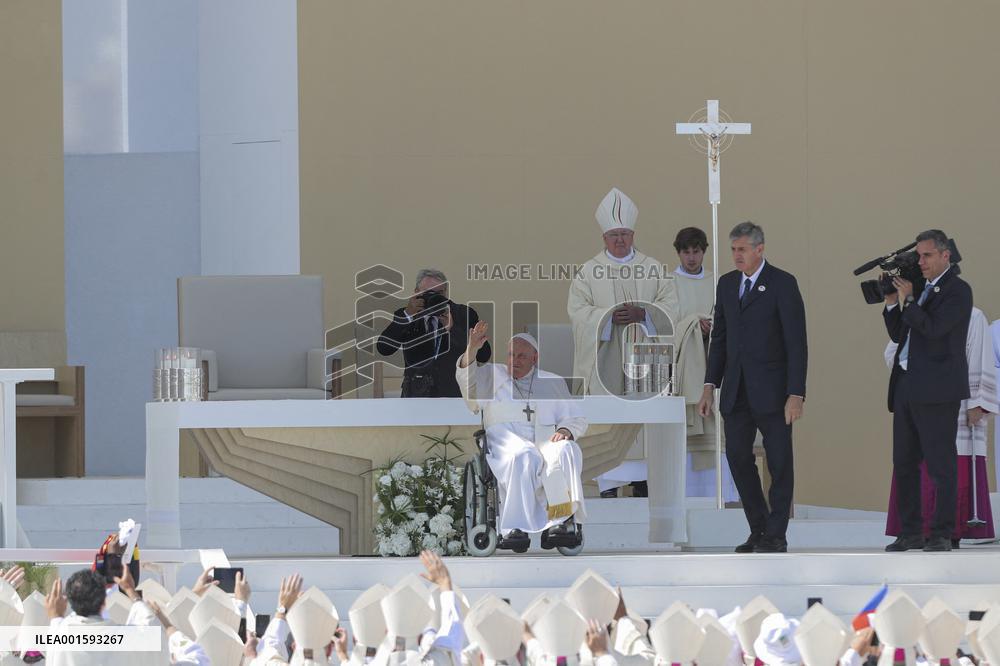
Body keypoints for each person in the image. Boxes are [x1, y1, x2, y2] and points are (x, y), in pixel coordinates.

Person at [696, 222, 807, 554]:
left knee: (778, 462)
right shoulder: (727, 285)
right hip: (737, 391)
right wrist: (709, 385)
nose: (736, 255)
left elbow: (796, 344)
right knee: (737, 458)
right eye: (733, 249)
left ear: (760, 249)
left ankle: (777, 533)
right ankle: (758, 528)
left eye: (742, 249)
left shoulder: (783, 284)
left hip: (774, 393)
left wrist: (796, 393)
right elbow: (720, 339)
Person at [567, 187, 678, 498]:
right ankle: (608, 488)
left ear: (633, 234)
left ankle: (644, 487)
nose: (619, 239)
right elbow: (577, 312)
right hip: (606, 366)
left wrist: (646, 313)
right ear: (604, 238)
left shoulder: (654, 268)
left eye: (624, 234)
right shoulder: (588, 271)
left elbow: (673, 307)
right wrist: (605, 318)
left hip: (646, 361)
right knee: (608, 425)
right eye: (614, 234)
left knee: (643, 428)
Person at [457, 322, 588, 550]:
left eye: (521, 356)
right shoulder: (492, 375)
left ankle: (561, 522)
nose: (513, 360)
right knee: (523, 455)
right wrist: (472, 349)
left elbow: (575, 418)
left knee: (567, 450)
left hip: (546, 440)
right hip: (504, 439)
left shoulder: (553, 382)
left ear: (534, 359)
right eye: (510, 354)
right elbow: (467, 381)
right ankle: (514, 527)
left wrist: (566, 430)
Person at [882, 229, 973, 553]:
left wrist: (908, 300)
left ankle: (941, 532)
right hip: (907, 384)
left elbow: (934, 330)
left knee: (940, 463)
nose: (920, 262)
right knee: (904, 462)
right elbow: (900, 334)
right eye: (918, 256)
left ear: (945, 255)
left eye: (927, 256)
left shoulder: (958, 291)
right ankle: (910, 532)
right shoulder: (918, 289)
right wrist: (893, 302)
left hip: (937, 389)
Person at [884, 306, 996, 546]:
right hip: (917, 397)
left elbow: (979, 355)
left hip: (955, 399)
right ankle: (913, 531)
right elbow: (893, 351)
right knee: (912, 462)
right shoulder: (913, 313)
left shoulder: (971, 315)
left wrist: (978, 401)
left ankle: (947, 532)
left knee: (947, 465)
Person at [671, 226, 738, 502]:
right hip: (684, 367)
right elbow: (666, 322)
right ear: (678, 252)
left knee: (718, 430)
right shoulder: (668, 283)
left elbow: (727, 316)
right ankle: (684, 497)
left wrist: (713, 326)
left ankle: (719, 496)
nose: (691, 257)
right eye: (686, 252)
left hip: (713, 362)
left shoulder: (717, 282)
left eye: (696, 251)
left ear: (704, 252)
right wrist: (691, 325)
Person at [378, 268, 491, 397]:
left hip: (455, 397)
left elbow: (484, 355)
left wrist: (452, 329)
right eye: (428, 293)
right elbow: (384, 349)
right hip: (415, 396)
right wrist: (407, 316)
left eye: (439, 293)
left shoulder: (463, 314)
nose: (434, 298)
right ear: (416, 293)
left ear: (446, 293)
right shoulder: (407, 315)